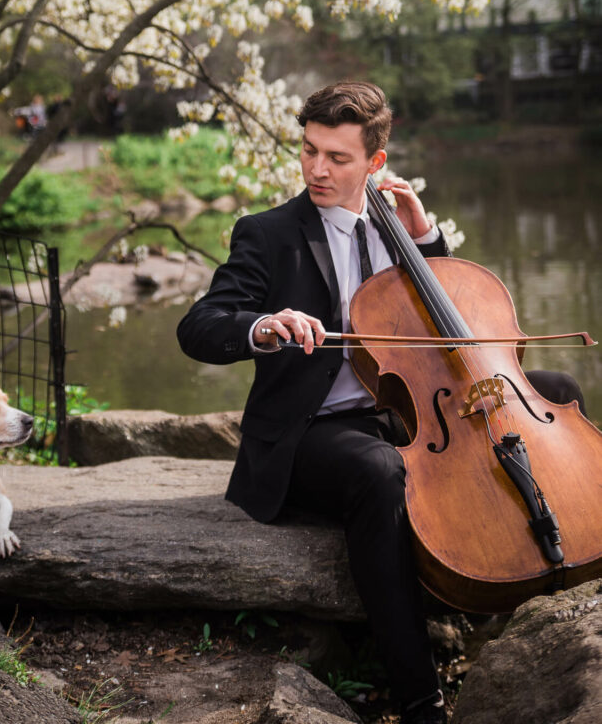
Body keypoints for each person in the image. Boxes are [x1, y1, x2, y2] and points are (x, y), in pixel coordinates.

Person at [176, 81, 586, 724]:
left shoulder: (398, 228)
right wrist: (262, 325)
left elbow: (450, 322)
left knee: (556, 392)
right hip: (316, 428)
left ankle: (552, 556)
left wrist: (426, 241)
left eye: (337, 158)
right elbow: (200, 325)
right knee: (379, 471)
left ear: (375, 163)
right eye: (309, 150)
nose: (317, 169)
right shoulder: (268, 233)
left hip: (407, 412)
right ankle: (419, 694)